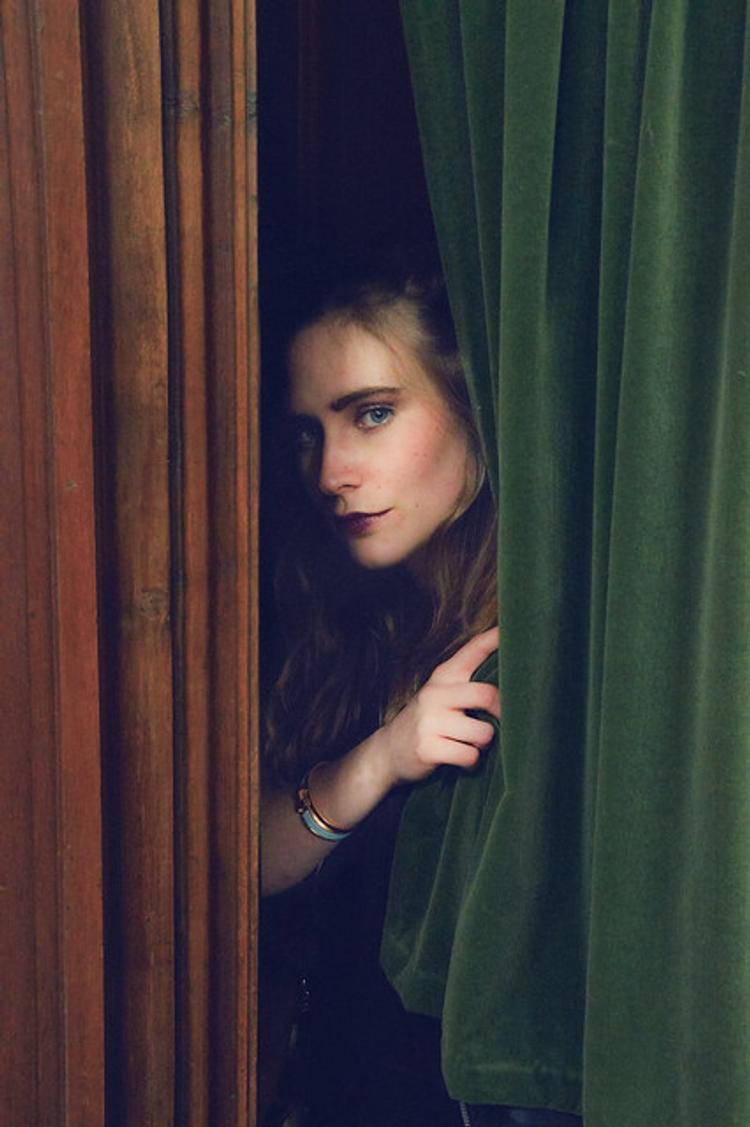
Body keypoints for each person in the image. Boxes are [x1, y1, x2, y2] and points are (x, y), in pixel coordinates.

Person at [261, 268, 582, 1127]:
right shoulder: (342, 626)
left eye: (372, 413)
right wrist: (380, 758)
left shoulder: (542, 648)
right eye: (307, 433)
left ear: (475, 413)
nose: (331, 472)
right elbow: (237, 860)